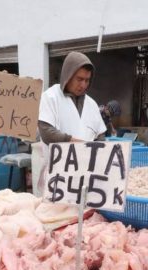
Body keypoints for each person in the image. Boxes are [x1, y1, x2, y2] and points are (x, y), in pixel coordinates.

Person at [33, 52, 106, 194]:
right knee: (56, 215)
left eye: (87, 80)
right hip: (57, 177)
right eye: (79, 79)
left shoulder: (91, 104)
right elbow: (46, 132)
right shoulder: (51, 97)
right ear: (68, 75)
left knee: (85, 214)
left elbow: (101, 135)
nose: (83, 85)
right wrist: (77, 144)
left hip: (86, 177)